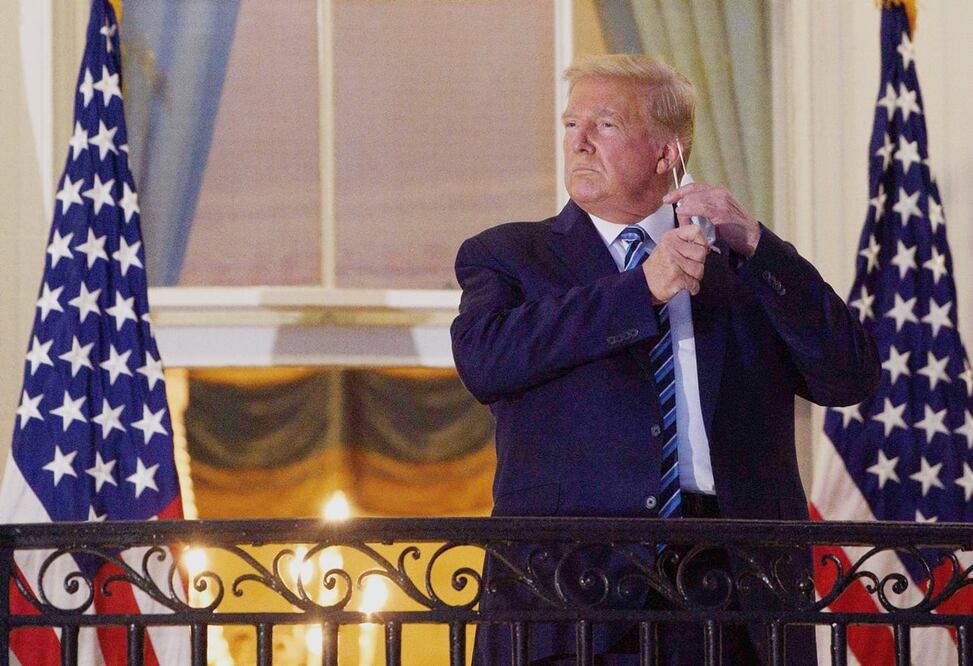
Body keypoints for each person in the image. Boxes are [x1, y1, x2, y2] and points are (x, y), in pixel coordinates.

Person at [450, 54, 880, 665]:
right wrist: (641, 289)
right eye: (571, 124)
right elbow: (484, 362)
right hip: (570, 598)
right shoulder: (510, 255)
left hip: (734, 593)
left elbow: (849, 375)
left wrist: (759, 244)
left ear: (666, 154)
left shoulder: (742, 266)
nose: (579, 142)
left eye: (604, 125)